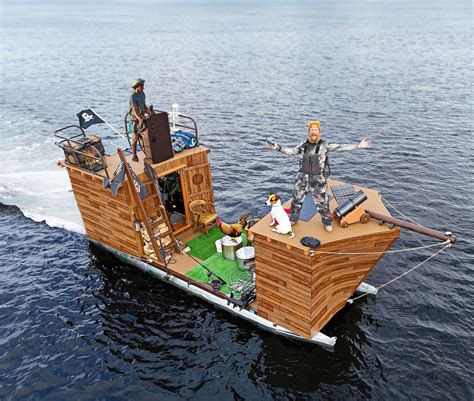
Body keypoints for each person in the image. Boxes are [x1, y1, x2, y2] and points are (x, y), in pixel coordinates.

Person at [268, 121, 372, 232]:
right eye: (312, 130)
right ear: (309, 132)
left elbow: (340, 147)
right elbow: (292, 151)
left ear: (319, 132)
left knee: (322, 203)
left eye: (316, 130)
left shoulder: (325, 144)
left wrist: (358, 146)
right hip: (302, 179)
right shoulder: (303, 144)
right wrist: (277, 147)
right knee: (296, 200)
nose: (314, 132)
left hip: (318, 181)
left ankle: (327, 222)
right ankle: (293, 219)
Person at [129, 78, 149, 162]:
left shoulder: (143, 94)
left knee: (144, 137)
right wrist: (139, 119)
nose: (143, 87)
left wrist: (149, 111)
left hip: (142, 117)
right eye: (142, 85)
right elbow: (135, 110)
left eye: (143, 85)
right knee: (135, 137)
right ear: (137, 86)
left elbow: (144, 105)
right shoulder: (132, 97)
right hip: (135, 119)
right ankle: (134, 155)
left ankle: (147, 154)